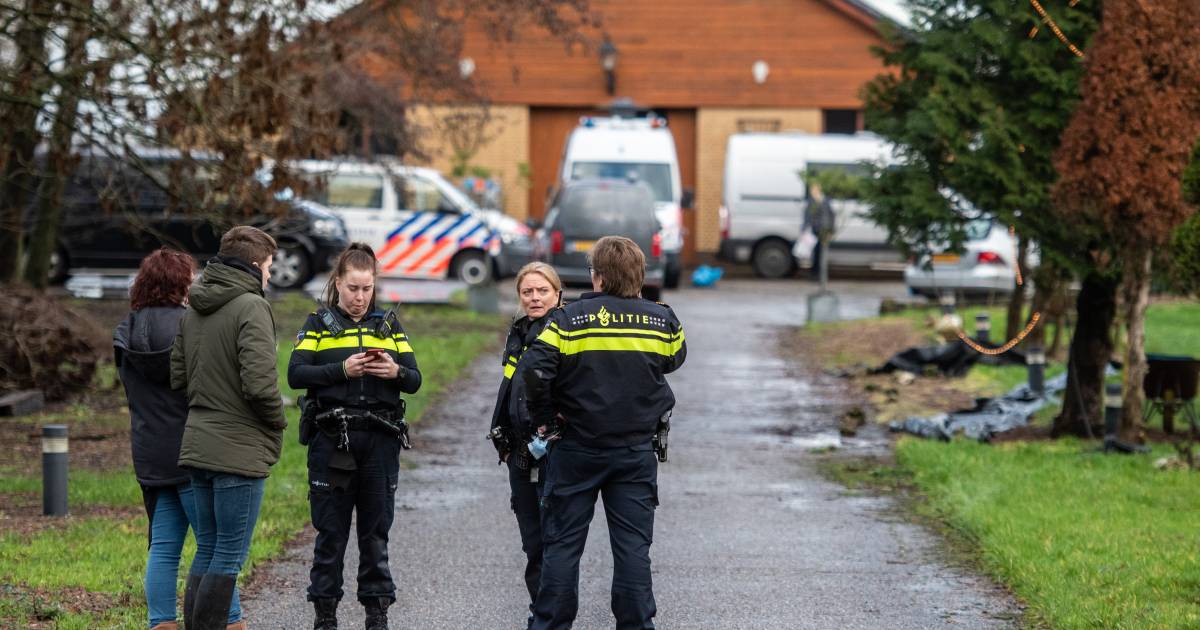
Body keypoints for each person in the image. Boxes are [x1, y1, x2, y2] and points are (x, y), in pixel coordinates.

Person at [521, 236, 687, 630]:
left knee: (562, 548)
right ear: (639, 276)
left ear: (596, 277)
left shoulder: (567, 319)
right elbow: (674, 358)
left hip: (576, 448)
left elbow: (534, 371)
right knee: (633, 550)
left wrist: (545, 418)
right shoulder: (662, 319)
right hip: (634, 452)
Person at [288, 242, 421, 630]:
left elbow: (415, 380)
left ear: (375, 285)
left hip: (380, 440)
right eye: (352, 289)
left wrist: (394, 372)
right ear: (338, 284)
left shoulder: (389, 326)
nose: (359, 298)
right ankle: (325, 615)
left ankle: (376, 613)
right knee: (330, 534)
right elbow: (296, 375)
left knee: (375, 534)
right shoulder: (317, 324)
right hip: (333, 440)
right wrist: (342, 370)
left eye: (366, 289)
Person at [118, 248, 249, 630]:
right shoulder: (192, 324)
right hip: (194, 449)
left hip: (149, 452)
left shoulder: (126, 330)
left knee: (163, 548)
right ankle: (232, 621)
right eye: (190, 278)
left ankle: (162, 623)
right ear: (180, 284)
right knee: (213, 544)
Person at [170, 226, 287, 630]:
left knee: (208, 549)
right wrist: (278, 421)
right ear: (255, 266)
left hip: (198, 441)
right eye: (269, 267)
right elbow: (259, 384)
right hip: (238, 449)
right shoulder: (251, 307)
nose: (270, 276)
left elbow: (178, 377)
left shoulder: (195, 306)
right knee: (229, 554)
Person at [487, 262, 563, 628]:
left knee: (554, 542)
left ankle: (550, 618)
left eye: (542, 291)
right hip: (520, 452)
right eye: (527, 292)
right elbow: (508, 388)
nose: (534, 298)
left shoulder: (567, 330)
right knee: (532, 543)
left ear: (557, 293)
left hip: (554, 452)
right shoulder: (519, 332)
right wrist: (499, 429)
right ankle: (540, 612)